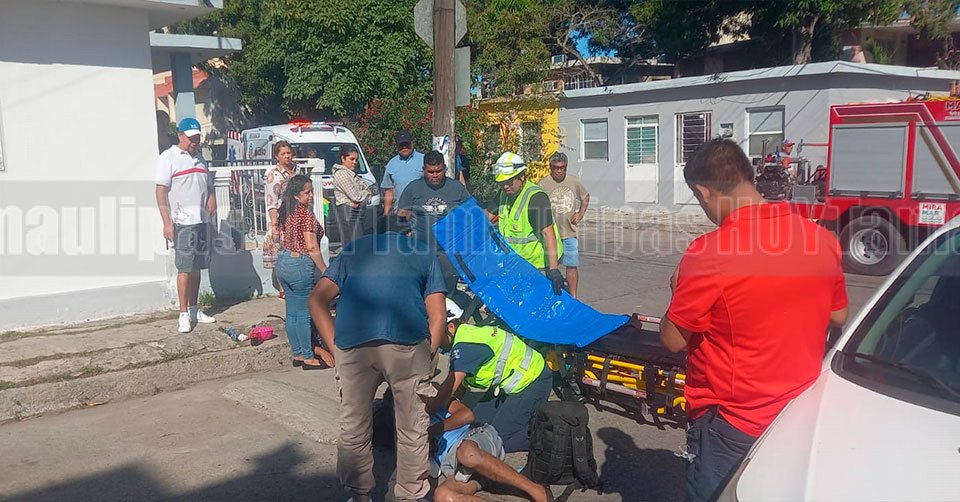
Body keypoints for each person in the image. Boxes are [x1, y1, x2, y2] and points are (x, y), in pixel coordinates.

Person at [659, 138, 849, 502]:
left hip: (733, 422)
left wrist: (675, 290)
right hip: (798, 412)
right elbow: (838, 314)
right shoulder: (820, 239)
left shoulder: (709, 252)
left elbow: (673, 339)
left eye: (699, 200)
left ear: (704, 191)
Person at [308, 216, 447, 502]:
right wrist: (429, 354)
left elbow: (316, 300)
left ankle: (359, 496)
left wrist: (336, 349)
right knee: (411, 427)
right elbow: (438, 316)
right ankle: (408, 496)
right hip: (407, 344)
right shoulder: (422, 252)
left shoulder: (351, 251)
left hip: (353, 345)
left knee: (354, 426)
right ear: (407, 234)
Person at [435, 299, 552, 453]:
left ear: (450, 327)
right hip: (512, 383)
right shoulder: (464, 337)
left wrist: (428, 413)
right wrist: (452, 408)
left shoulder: (464, 347)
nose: (434, 339)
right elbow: (460, 387)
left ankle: (554, 437)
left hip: (533, 381)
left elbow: (449, 388)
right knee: (477, 426)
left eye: (436, 332)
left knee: (498, 441)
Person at [154, 117, 218, 334]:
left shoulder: (200, 158)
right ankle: (183, 313)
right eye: (191, 138)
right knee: (184, 268)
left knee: (197, 267)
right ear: (180, 135)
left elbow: (208, 184)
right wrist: (167, 222)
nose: (194, 142)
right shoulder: (168, 157)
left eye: (197, 138)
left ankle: (194, 309)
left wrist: (212, 196)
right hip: (182, 221)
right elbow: (161, 191)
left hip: (201, 220)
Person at [489, 152, 565, 295]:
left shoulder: (536, 198)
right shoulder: (504, 194)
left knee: (541, 299)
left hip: (540, 263)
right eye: (502, 183)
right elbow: (487, 215)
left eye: (509, 182)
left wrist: (553, 270)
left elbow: (548, 233)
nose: (505, 187)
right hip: (518, 262)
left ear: (522, 177)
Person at [276, 175, 330, 370]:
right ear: (296, 195)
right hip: (299, 264)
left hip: (284, 261)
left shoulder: (287, 211)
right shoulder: (305, 215)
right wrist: (325, 270)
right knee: (304, 313)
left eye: (311, 191)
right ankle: (308, 357)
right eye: (307, 193)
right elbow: (312, 246)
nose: (311, 196)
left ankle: (297, 353)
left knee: (292, 313)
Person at [397, 150, 470, 293]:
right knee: (421, 289)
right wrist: (405, 233)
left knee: (447, 291)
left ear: (445, 168)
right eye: (430, 172)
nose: (435, 175)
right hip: (420, 251)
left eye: (438, 171)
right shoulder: (413, 188)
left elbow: (470, 216)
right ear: (423, 169)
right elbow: (402, 215)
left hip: (449, 253)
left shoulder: (457, 188)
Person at [538, 152, 589, 298]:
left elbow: (585, 197)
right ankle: (553, 295)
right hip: (550, 233)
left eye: (562, 167)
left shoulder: (573, 181)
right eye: (556, 167)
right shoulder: (542, 184)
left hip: (569, 232)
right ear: (551, 168)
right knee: (550, 267)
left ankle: (573, 297)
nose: (559, 171)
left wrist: (580, 213)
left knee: (572, 265)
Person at [264, 140, 297, 297]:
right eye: (283, 154)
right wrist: (274, 225)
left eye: (288, 153)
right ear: (277, 156)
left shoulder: (296, 170)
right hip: (281, 218)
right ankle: (283, 288)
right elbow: (271, 200)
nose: (286, 156)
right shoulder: (274, 175)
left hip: (295, 216)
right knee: (281, 253)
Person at [331, 144, 372, 246]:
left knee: (357, 242)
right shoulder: (341, 174)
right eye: (351, 159)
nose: (355, 162)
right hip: (348, 212)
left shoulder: (351, 174)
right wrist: (366, 193)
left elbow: (366, 192)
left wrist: (364, 195)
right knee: (355, 243)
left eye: (356, 160)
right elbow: (355, 196)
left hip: (355, 211)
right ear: (343, 159)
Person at [381, 130, 425, 216]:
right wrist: (386, 214)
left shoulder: (424, 160)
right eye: (401, 144)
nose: (404, 147)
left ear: (412, 143)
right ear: (397, 145)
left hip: (421, 213)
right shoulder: (391, 164)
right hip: (400, 213)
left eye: (406, 144)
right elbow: (389, 191)